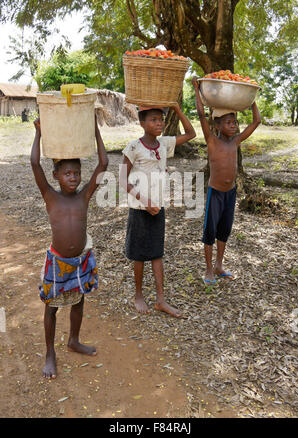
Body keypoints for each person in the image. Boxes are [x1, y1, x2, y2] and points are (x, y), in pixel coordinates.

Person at [31, 116, 108, 379]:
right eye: (67, 173)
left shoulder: (84, 195)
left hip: (81, 260)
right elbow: (33, 163)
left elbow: (104, 163)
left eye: (76, 173)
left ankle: (74, 340)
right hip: (57, 261)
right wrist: (39, 133)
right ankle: (50, 353)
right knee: (52, 307)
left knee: (78, 302)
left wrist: (95, 129)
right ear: (56, 176)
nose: (73, 178)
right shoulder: (50, 196)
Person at [120, 104, 196, 317]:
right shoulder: (134, 147)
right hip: (139, 208)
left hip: (158, 207)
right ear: (142, 123)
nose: (159, 123)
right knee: (138, 254)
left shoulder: (164, 144)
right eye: (153, 119)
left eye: (161, 119)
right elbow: (122, 180)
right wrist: (144, 200)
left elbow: (191, 133)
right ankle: (138, 295)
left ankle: (161, 300)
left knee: (157, 252)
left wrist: (177, 109)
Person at [192, 76, 261, 285]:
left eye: (235, 122)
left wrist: (252, 97)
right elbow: (201, 115)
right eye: (229, 123)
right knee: (210, 232)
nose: (234, 126)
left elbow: (256, 121)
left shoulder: (236, 141)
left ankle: (219, 265)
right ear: (218, 126)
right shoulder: (212, 141)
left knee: (224, 230)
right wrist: (196, 89)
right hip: (215, 193)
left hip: (231, 193)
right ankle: (208, 269)